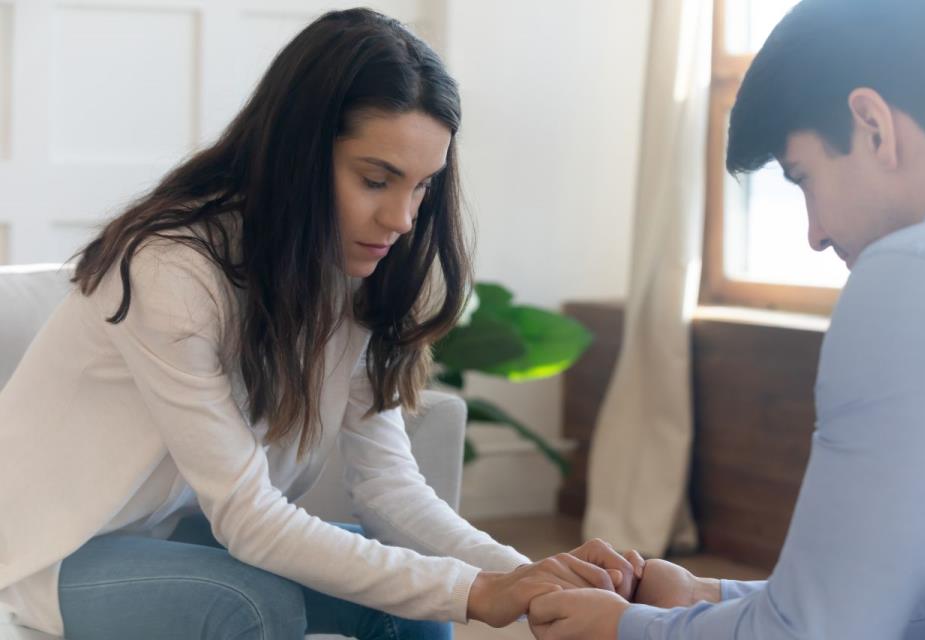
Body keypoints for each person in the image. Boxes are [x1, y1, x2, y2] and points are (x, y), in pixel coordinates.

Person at [0, 9, 641, 639]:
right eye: (376, 179)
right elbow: (248, 520)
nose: (402, 219)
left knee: (408, 595)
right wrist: (477, 592)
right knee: (252, 601)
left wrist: (531, 577)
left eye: (422, 187)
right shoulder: (170, 270)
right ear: (297, 155)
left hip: (169, 534)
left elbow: (389, 489)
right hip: (50, 552)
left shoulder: (349, 275)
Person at [526, 0, 925, 638]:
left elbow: (816, 634)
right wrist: (709, 595)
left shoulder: (917, 275)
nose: (813, 234)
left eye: (802, 177)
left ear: (872, 125)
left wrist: (626, 631)